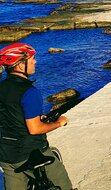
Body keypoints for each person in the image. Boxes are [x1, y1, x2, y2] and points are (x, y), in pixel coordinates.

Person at [0, 43, 73, 190]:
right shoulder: (29, 92)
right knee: (63, 185)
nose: (35, 62)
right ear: (20, 66)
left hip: (6, 155)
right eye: (32, 59)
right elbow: (35, 129)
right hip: (31, 152)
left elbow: (10, 115)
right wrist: (59, 122)